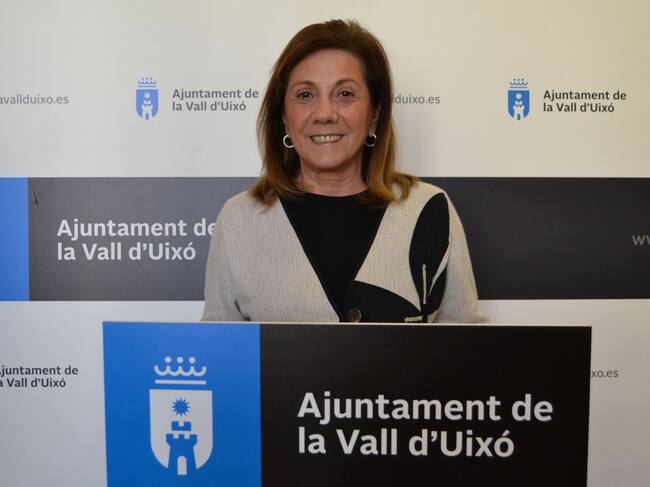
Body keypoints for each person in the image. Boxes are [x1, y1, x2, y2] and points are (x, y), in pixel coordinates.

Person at [202, 19, 486, 323]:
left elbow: (469, 345)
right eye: (305, 95)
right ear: (283, 115)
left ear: (375, 113)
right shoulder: (239, 219)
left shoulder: (429, 210)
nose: (325, 114)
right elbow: (219, 348)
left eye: (345, 94)